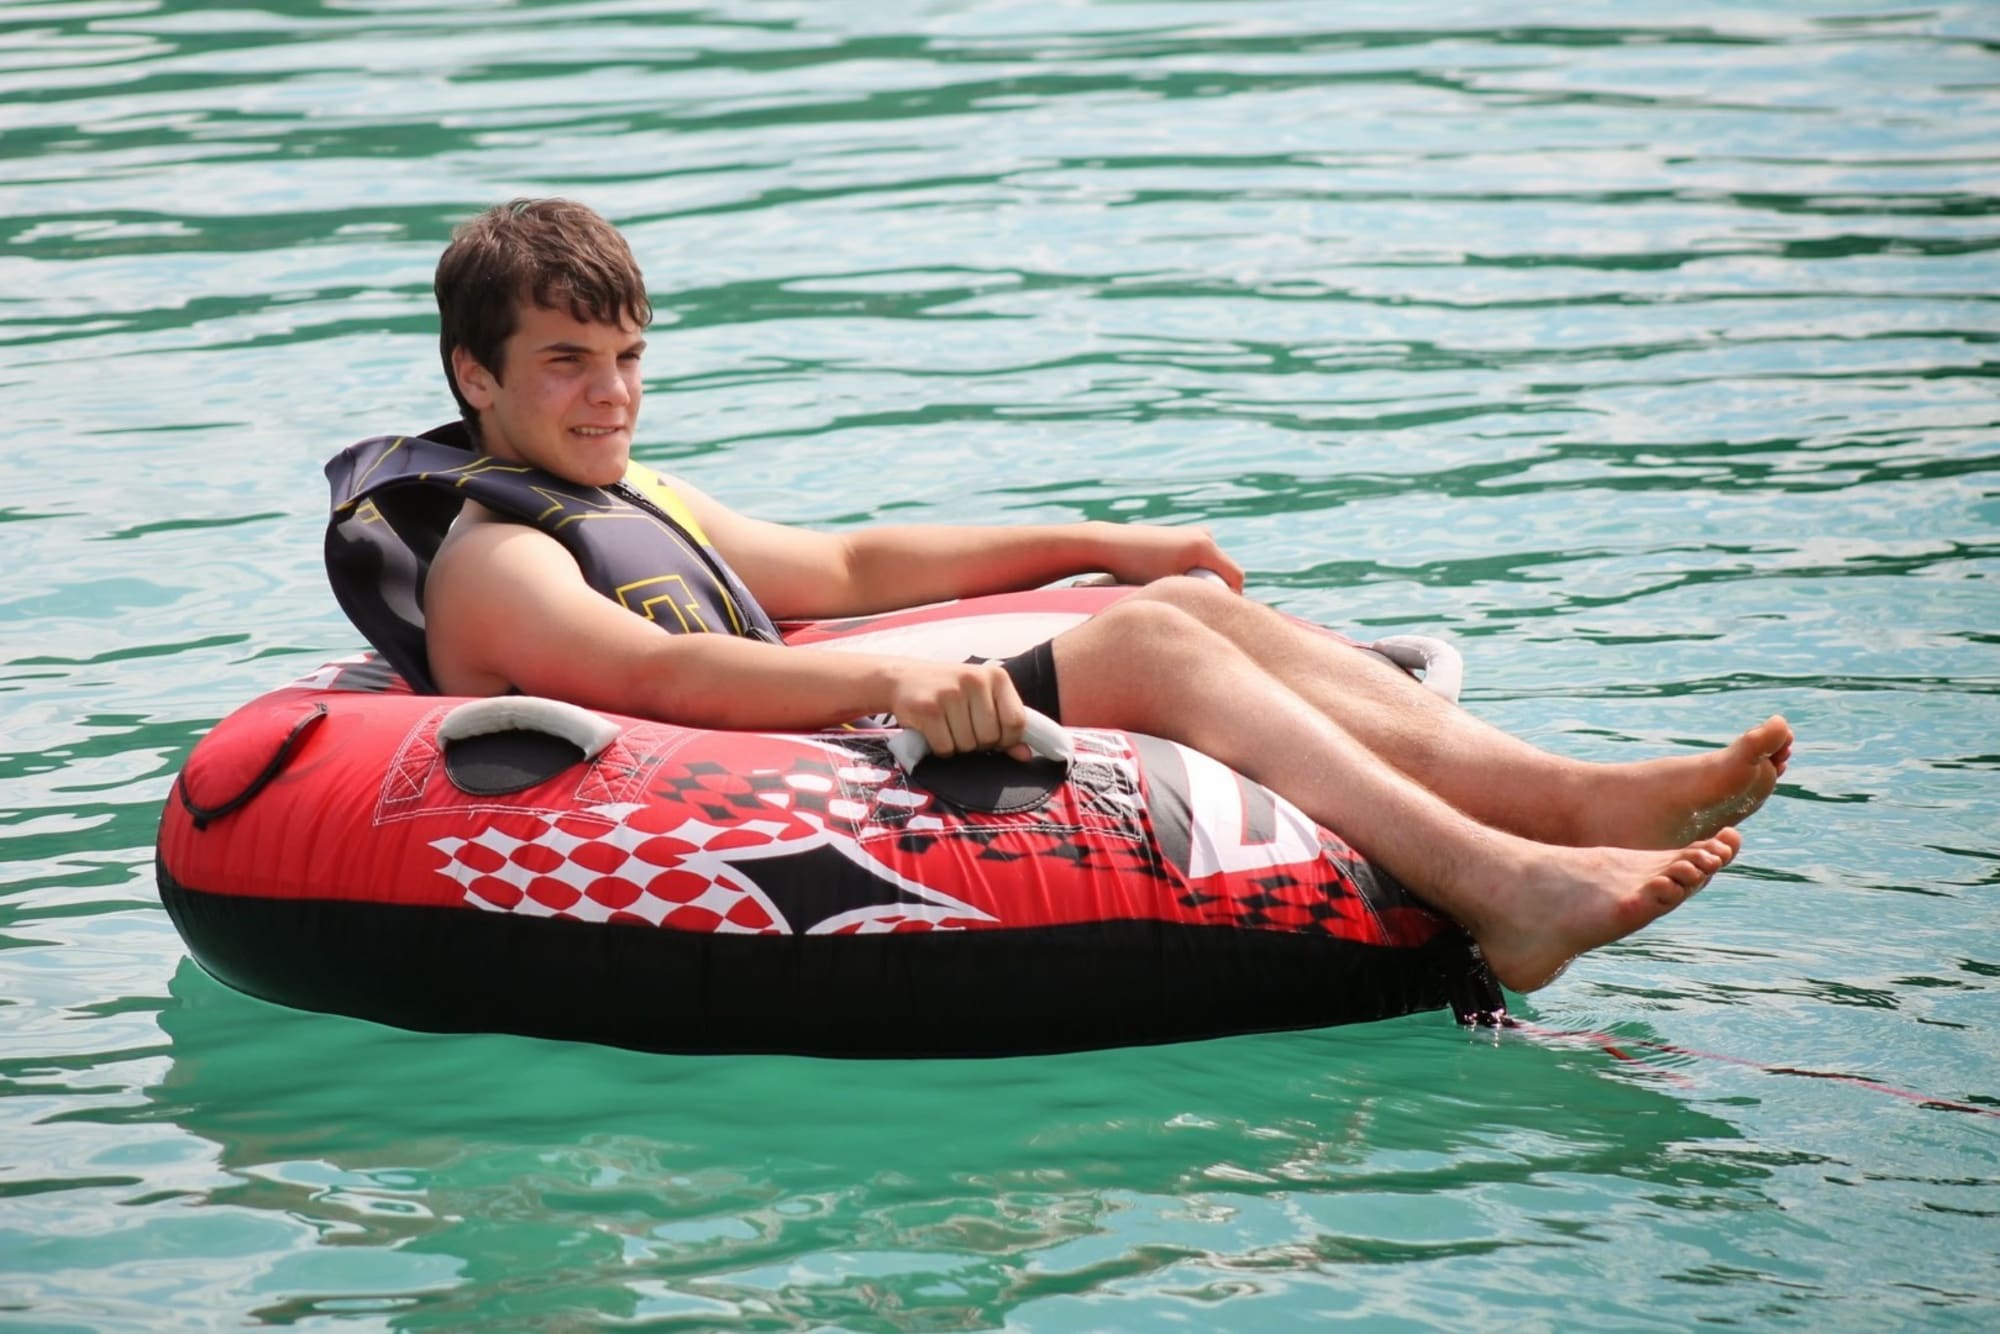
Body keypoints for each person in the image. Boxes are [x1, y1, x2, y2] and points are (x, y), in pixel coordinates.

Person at [328, 198, 1794, 995]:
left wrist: (1103, 540)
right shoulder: (495, 555)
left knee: (1175, 608)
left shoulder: (625, 496)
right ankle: (1510, 891)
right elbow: (665, 681)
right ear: (476, 374)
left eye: (629, 358)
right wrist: (896, 681)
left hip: (807, 741)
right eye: (569, 363)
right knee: (1148, 651)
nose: (612, 394)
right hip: (759, 785)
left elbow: (851, 568)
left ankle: (1570, 800)